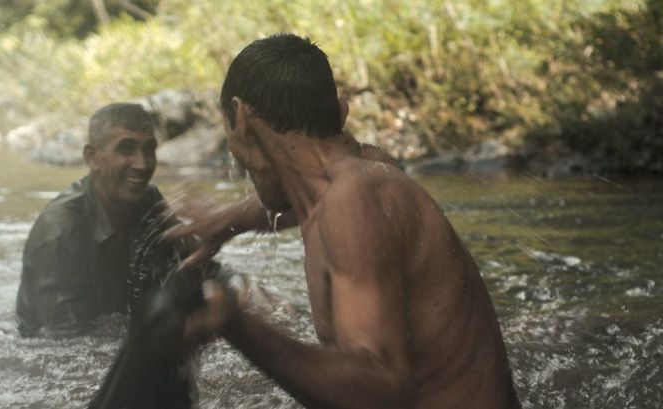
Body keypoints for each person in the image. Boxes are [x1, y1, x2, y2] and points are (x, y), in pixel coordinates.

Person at [168, 34, 522, 409]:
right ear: (340, 112)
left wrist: (235, 323)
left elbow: (379, 386)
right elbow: (297, 199)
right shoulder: (367, 174)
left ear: (240, 116)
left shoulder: (352, 202)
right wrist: (226, 221)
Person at [15, 102, 206, 408]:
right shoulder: (59, 232)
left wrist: (241, 289)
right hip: (50, 352)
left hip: (112, 332)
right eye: (126, 150)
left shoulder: (147, 202)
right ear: (93, 158)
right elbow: (66, 350)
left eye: (149, 149)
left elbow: (196, 268)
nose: (142, 164)